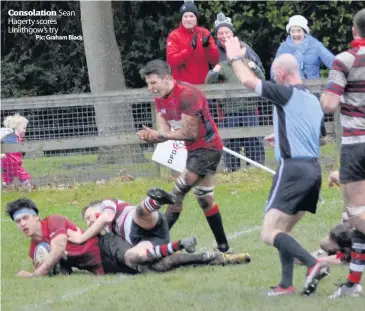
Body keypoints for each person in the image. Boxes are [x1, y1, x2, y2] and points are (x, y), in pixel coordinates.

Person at [225, 36, 330, 296]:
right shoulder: (313, 99)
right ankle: (286, 285)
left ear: (281, 74)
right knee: (283, 232)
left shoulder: (285, 93)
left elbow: (248, 81)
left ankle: (313, 263)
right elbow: (322, 137)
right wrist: (283, 135)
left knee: (269, 232)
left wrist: (235, 57)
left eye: (274, 75)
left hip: (293, 170)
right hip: (313, 171)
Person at [136, 59, 232, 254]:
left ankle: (153, 246)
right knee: (205, 199)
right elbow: (165, 133)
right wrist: (153, 138)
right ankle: (224, 247)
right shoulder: (159, 98)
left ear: (167, 78)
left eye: (153, 83)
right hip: (194, 151)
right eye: (148, 84)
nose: (150, 88)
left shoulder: (187, 95)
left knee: (176, 193)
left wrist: (160, 135)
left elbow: (190, 133)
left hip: (208, 148)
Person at [320, 8, 365, 298]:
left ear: (354, 30)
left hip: (357, 144)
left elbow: (328, 105)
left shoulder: (345, 60)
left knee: (357, 214)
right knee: (360, 224)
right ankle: (352, 283)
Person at [206, 17, 266, 171]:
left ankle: (256, 167)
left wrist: (256, 69)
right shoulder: (223, 66)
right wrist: (213, 73)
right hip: (229, 110)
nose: (223, 35)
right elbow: (208, 84)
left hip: (250, 108)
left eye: (227, 32)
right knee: (231, 140)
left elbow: (262, 79)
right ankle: (232, 169)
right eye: (220, 32)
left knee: (253, 139)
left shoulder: (248, 62)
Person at [6, 198, 105, 277]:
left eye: (25, 218)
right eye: (18, 221)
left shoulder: (53, 221)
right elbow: (46, 270)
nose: (22, 224)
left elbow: (58, 250)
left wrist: (34, 275)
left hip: (106, 249)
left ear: (36, 217)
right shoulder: (34, 250)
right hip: (101, 266)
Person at [166, 0, 219, 85]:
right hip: (183, 87)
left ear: (196, 18)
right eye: (185, 16)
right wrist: (189, 49)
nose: (188, 19)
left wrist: (207, 47)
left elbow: (214, 60)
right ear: (181, 19)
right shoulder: (174, 36)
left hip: (204, 85)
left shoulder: (204, 33)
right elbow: (172, 62)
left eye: (191, 16)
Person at [271, 15, 334, 80]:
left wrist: (341, 73)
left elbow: (331, 61)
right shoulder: (284, 47)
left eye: (299, 31)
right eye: (292, 31)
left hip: (313, 87)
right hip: (290, 87)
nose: (295, 34)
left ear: (304, 32)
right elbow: (275, 70)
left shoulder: (315, 45)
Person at [2, 113, 32, 189]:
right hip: (13, 161)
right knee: (21, 173)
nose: (25, 130)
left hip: (5, 162)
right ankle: (28, 186)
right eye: (24, 128)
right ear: (17, 128)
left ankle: (6, 186)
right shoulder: (11, 135)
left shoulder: (14, 136)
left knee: (8, 175)